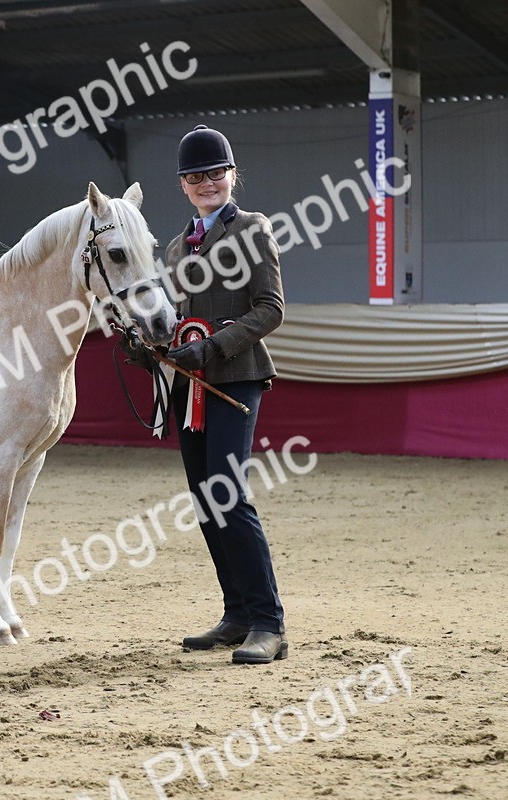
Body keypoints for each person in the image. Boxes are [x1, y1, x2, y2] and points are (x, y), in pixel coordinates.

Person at [127, 125, 288, 664]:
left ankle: (269, 622)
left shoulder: (253, 230)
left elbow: (270, 308)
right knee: (204, 501)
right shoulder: (174, 248)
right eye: (195, 177)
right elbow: (174, 322)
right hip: (187, 385)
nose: (206, 183)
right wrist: (150, 346)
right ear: (183, 186)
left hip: (235, 377)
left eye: (215, 174)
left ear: (231, 176)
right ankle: (237, 613)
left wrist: (213, 348)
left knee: (228, 494)